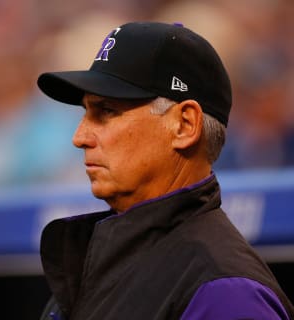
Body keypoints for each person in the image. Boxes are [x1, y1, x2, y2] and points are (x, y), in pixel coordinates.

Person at [36, 22, 294, 320]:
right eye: (86, 113)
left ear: (184, 125)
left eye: (106, 111)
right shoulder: (97, 262)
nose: (79, 137)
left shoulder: (226, 292)